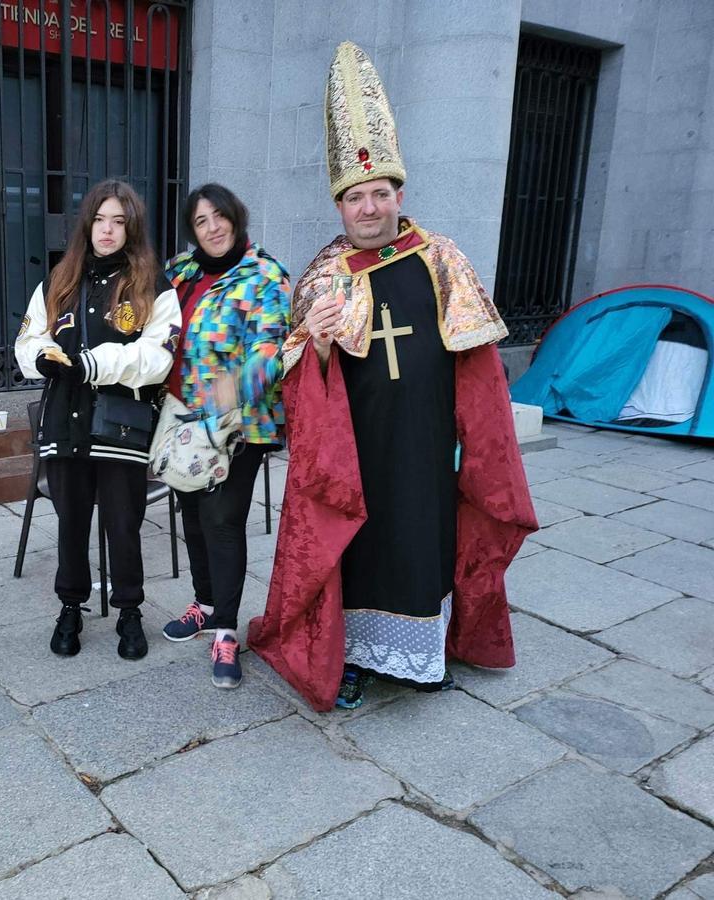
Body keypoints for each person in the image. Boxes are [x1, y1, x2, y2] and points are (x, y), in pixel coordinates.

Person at [248, 42, 537, 711]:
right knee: (360, 544)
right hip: (359, 450)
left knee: (423, 540)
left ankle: (421, 656)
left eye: (381, 194)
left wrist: (480, 445)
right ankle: (349, 656)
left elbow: (478, 364)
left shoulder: (441, 260)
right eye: (357, 198)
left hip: (428, 441)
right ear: (340, 204)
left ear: (398, 194)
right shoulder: (325, 273)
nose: (371, 208)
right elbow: (294, 371)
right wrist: (315, 341)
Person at [15, 180, 181, 660]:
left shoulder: (153, 286)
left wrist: (95, 363)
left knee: (123, 523)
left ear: (132, 229)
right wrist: (41, 358)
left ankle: (130, 610)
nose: (107, 231)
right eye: (100, 220)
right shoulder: (57, 281)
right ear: (86, 224)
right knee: (69, 523)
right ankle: (71, 606)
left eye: (119, 222)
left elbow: (158, 356)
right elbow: (28, 340)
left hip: (121, 426)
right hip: (65, 423)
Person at [159, 184, 290, 689]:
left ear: (236, 217)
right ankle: (205, 602)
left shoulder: (263, 274)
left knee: (221, 518)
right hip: (182, 424)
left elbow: (273, 350)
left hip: (241, 425)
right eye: (200, 220)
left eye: (219, 216)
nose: (212, 227)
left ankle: (226, 629)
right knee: (191, 513)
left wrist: (226, 394)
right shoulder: (182, 272)